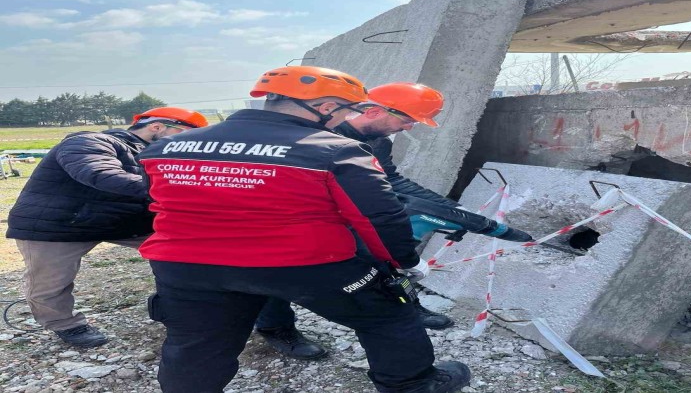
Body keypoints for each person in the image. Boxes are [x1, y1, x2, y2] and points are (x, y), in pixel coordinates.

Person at [137, 66, 471, 393]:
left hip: (186, 265)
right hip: (302, 262)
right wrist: (405, 260)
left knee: (197, 343)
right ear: (326, 107)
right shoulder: (336, 150)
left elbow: (154, 200)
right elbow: (379, 216)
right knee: (388, 315)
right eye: (346, 110)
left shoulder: (166, 147)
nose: (346, 118)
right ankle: (414, 384)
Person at [254, 82, 459, 360]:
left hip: (352, 218)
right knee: (273, 274)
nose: (410, 127)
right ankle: (276, 328)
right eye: (407, 120)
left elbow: (390, 180)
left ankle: (407, 306)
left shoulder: (379, 142)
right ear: (375, 111)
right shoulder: (317, 136)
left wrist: (450, 208)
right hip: (297, 222)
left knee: (384, 263)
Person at [6, 107, 208, 348]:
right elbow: (100, 174)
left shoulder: (158, 153)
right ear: (157, 127)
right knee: (50, 281)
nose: (189, 141)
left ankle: (178, 303)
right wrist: (177, 188)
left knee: (184, 253)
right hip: (61, 224)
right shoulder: (89, 142)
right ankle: (64, 324)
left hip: (122, 222)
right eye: (185, 134)